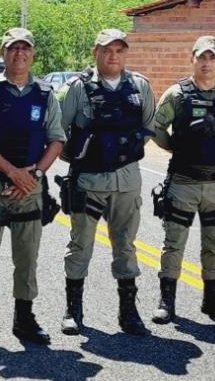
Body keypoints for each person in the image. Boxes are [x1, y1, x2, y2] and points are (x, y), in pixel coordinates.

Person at [0, 27, 65, 351]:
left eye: (25, 48)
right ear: (3, 52)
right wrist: (11, 172)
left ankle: (24, 318)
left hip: (30, 190)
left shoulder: (46, 94)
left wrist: (33, 175)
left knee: (27, 259)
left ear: (33, 53)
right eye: (12, 48)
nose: (19, 54)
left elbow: (57, 139)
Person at [57, 28, 155, 336]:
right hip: (88, 180)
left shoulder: (140, 86)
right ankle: (73, 310)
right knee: (80, 245)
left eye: (119, 50)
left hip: (127, 180)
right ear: (95, 53)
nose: (113, 56)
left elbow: (149, 127)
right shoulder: (77, 88)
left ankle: (128, 312)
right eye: (106, 50)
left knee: (125, 246)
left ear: (125, 53)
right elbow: (59, 132)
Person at [151, 36, 215, 325]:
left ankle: (213, 299)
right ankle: (166, 301)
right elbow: (156, 127)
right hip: (183, 181)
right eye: (201, 57)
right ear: (192, 59)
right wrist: (176, 147)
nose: (206, 63)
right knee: (174, 243)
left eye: (212, 57)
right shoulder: (177, 94)